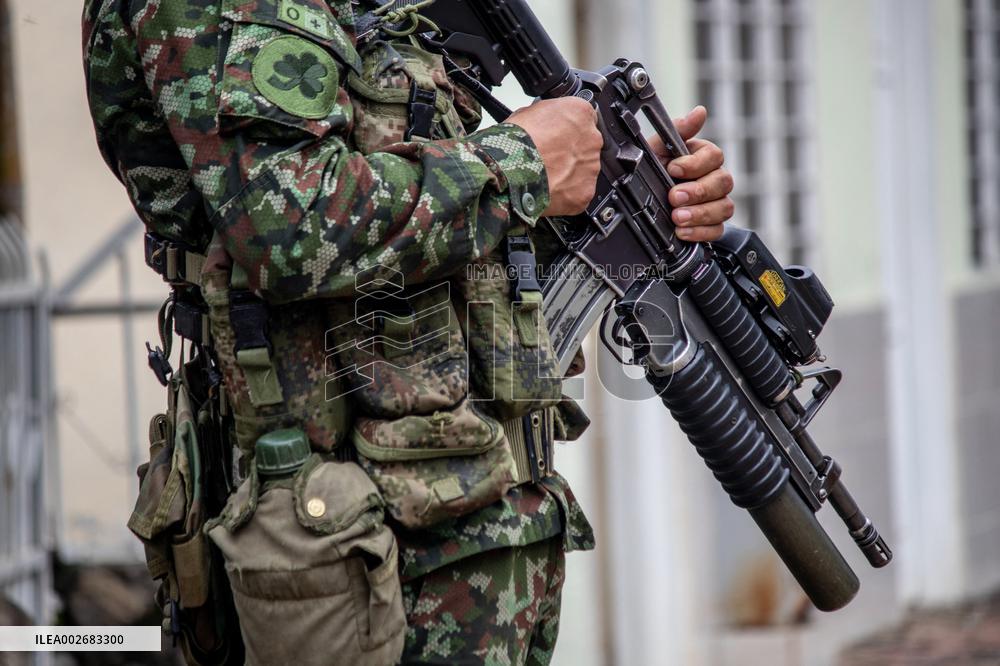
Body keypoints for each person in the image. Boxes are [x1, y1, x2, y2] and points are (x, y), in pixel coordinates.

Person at [83, 0, 734, 663]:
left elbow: (430, 231)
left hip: (477, 524)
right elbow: (287, 227)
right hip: (353, 550)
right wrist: (520, 163)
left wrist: (614, 198)